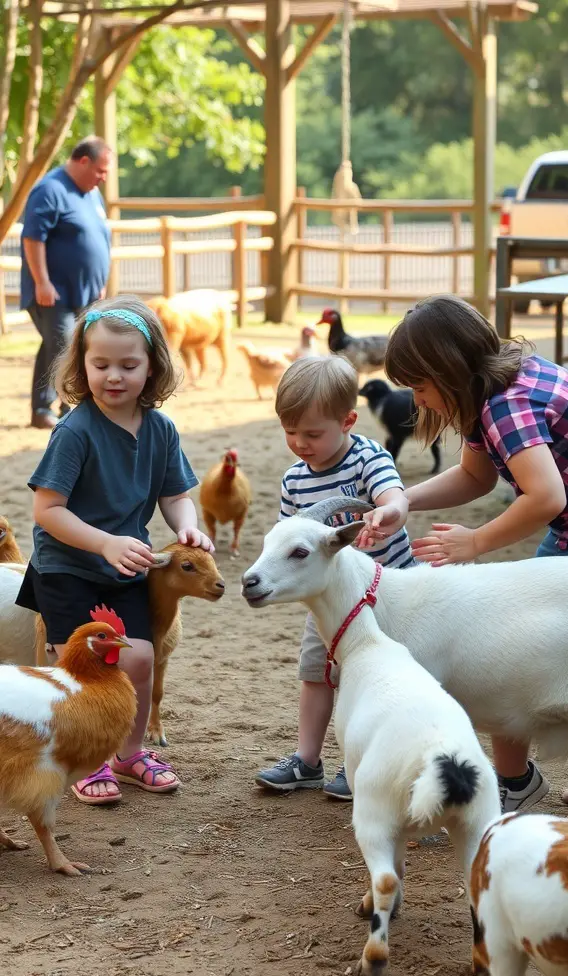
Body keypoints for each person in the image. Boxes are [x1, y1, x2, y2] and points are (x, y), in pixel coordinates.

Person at [362, 293, 568, 811]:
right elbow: (476, 476)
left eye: (420, 386)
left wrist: (477, 542)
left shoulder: (505, 404)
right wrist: (403, 500)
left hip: (567, 520)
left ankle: (512, 781)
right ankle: (514, 779)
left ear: (448, 370)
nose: (419, 401)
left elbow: (547, 496)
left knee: (522, 646)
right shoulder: (492, 387)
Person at [15, 295, 213, 805]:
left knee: (141, 660)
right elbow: (47, 511)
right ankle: (82, 759)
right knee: (77, 671)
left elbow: (175, 494)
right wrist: (103, 542)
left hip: (124, 565)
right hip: (68, 567)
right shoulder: (75, 431)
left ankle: (127, 754)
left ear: (153, 368)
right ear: (81, 364)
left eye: (129, 365)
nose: (114, 376)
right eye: (100, 364)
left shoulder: (161, 429)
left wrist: (188, 528)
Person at [255, 355, 414, 801]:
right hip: (326, 599)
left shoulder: (367, 458)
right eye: (290, 432)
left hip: (388, 594)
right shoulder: (294, 480)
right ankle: (307, 760)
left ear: (348, 421)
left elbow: (394, 498)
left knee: (371, 676)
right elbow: (289, 539)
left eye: (311, 433)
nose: (299, 443)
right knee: (316, 673)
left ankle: (357, 762)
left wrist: (386, 514)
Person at [21, 136, 112, 430]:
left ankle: (40, 409)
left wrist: (99, 280)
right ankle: (69, 407)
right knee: (65, 348)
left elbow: (97, 238)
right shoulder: (50, 190)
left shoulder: (91, 193)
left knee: (56, 346)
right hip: (53, 293)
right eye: (100, 170)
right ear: (83, 161)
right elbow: (33, 238)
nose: (103, 178)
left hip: (85, 293)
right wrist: (42, 281)